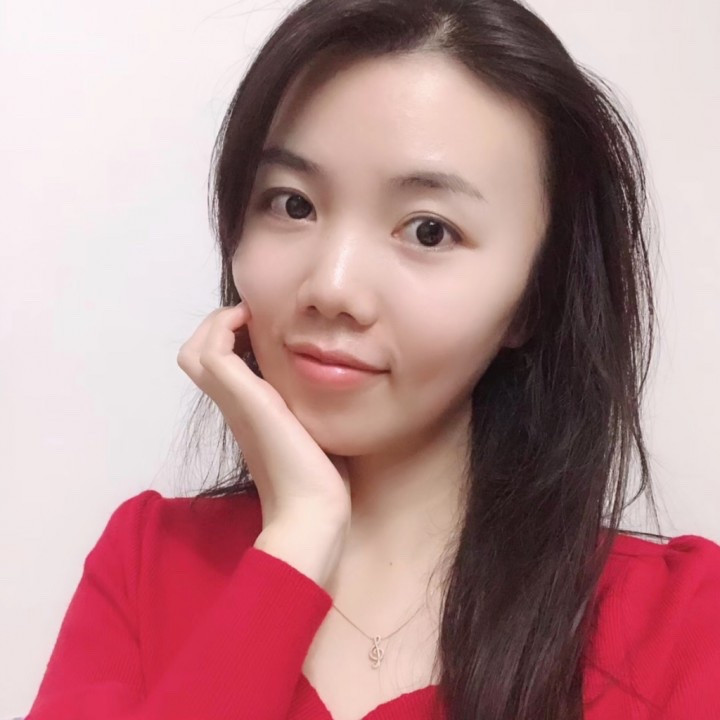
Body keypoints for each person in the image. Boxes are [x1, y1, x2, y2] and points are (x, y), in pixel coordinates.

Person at [25, 0, 720, 718]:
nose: (331, 287)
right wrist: (297, 539)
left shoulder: (683, 623)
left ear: (533, 298)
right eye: (292, 205)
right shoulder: (148, 563)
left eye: (428, 230)